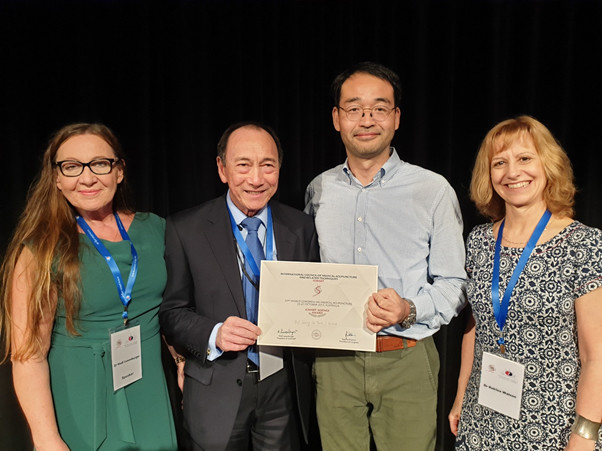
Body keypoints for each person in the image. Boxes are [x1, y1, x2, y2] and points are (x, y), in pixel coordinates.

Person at [304, 61, 467, 450]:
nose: (366, 119)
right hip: (335, 361)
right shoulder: (318, 189)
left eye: (379, 108)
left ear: (396, 118)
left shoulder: (433, 190)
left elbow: (455, 285)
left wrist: (408, 309)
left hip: (406, 357)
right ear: (336, 118)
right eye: (354, 108)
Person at [0, 123, 178, 450]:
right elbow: (29, 357)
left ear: (119, 171)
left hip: (148, 390)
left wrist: (181, 363)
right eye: (72, 166)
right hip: (82, 400)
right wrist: (47, 439)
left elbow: (170, 309)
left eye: (99, 164)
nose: (87, 178)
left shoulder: (155, 229)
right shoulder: (41, 250)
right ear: (56, 178)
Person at [159, 122, 320, 451]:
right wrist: (214, 333)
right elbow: (172, 313)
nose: (256, 179)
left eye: (267, 165)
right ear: (222, 169)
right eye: (243, 165)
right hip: (215, 386)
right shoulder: (185, 229)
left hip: (283, 388)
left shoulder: (302, 228)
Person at [448, 116, 602, 450]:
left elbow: (596, 356)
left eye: (525, 158)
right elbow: (477, 326)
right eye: (499, 163)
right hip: (482, 419)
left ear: (548, 164)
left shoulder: (583, 244)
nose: (512, 172)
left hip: (554, 425)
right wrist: (461, 394)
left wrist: (585, 434)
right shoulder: (479, 241)